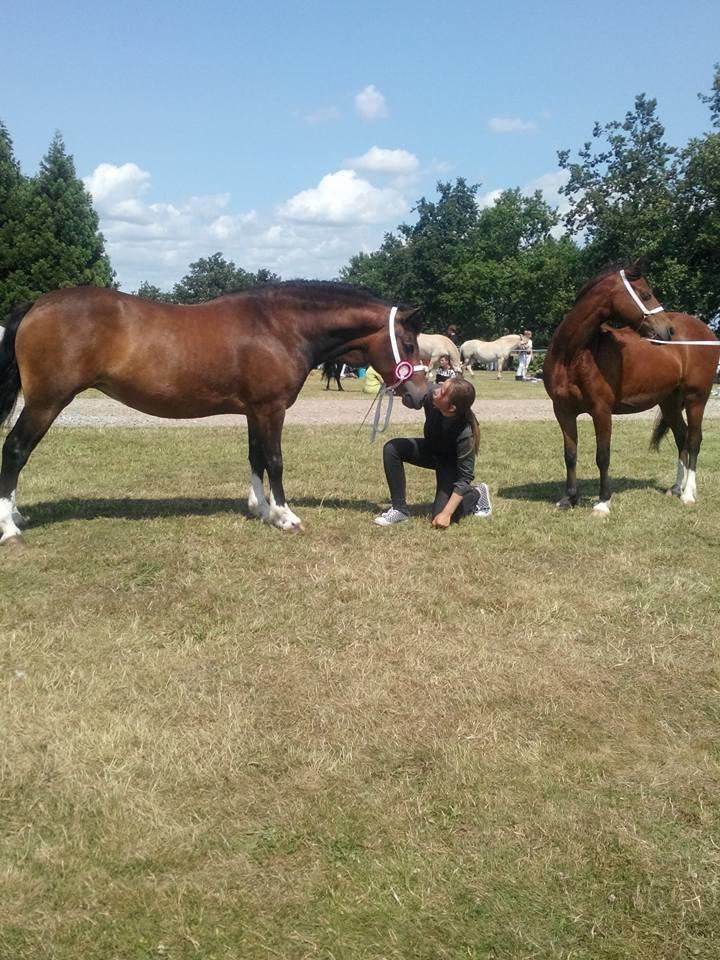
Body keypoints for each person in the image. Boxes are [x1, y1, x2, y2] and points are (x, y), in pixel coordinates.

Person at [374, 377, 492, 528]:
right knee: (392, 448)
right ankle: (399, 510)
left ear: (451, 408)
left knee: (440, 517)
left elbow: (464, 477)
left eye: (442, 392)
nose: (436, 390)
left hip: (449, 464)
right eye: (441, 386)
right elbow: (413, 393)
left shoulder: (465, 433)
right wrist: (397, 385)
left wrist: (447, 514)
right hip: (431, 450)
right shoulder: (432, 398)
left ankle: (477, 493)